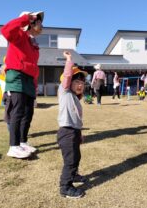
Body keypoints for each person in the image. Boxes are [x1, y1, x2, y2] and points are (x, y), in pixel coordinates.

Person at [1, 11, 44, 159]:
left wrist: (35, 85)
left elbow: (33, 67)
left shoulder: (33, 43)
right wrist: (25, 18)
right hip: (17, 75)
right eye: (39, 21)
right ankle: (13, 146)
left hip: (29, 79)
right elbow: (5, 30)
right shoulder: (18, 35)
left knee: (28, 113)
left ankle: (23, 142)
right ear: (31, 22)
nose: (42, 25)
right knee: (17, 111)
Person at [57, 51, 88, 198]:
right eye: (77, 82)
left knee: (76, 157)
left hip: (74, 132)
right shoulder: (65, 92)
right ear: (69, 83)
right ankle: (65, 187)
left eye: (82, 83)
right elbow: (68, 75)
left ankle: (74, 175)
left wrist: (80, 134)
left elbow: (77, 120)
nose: (80, 85)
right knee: (70, 160)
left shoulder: (75, 99)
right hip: (66, 133)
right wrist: (69, 60)